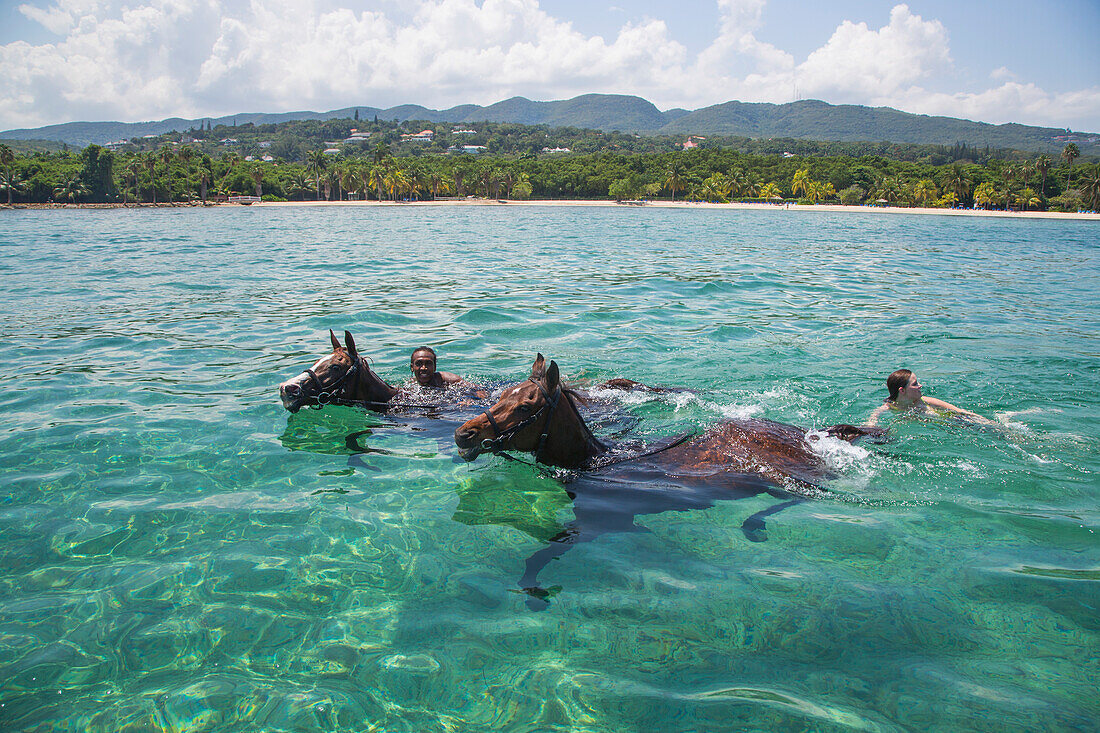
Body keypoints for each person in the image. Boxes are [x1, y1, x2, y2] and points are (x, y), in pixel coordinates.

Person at [868, 368, 990, 425]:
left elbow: (961, 412)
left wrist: (990, 423)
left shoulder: (925, 401)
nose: (920, 386)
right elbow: (872, 421)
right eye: (915, 384)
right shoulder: (889, 408)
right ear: (902, 390)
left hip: (958, 423)